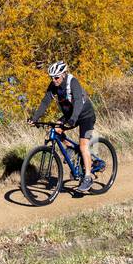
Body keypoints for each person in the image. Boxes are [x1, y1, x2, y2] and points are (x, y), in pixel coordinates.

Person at [29, 60, 98, 193]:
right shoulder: (53, 85)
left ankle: (88, 177)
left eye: (56, 77)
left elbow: (78, 101)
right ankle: (71, 147)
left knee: (83, 145)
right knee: (55, 130)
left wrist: (72, 120)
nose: (54, 80)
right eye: (52, 78)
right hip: (70, 115)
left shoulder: (73, 82)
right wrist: (35, 118)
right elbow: (45, 102)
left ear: (64, 74)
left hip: (85, 115)